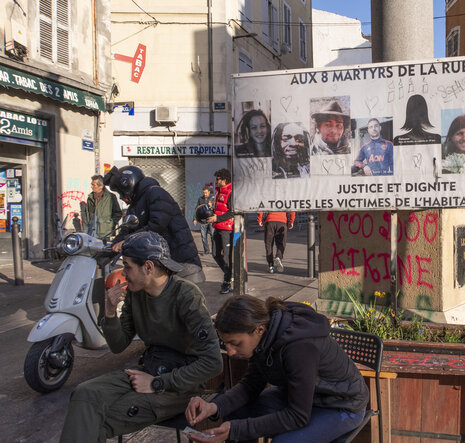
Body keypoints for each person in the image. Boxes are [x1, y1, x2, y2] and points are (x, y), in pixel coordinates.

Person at [59, 231, 223, 443]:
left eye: (127, 266)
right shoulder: (137, 293)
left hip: (181, 384)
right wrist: (109, 311)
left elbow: (213, 363)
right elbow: (118, 345)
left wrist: (157, 383)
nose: (124, 274)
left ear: (148, 267)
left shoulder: (186, 296)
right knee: (84, 394)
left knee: (98, 420)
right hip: (148, 369)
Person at [184, 295, 369, 443]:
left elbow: (297, 416)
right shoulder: (264, 337)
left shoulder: (299, 347)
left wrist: (236, 429)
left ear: (259, 330)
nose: (231, 352)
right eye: (226, 344)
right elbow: (250, 385)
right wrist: (215, 406)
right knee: (234, 413)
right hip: (302, 397)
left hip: (341, 405)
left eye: (235, 343)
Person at [104, 166, 205, 284]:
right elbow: (126, 231)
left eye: (120, 192)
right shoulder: (135, 205)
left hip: (182, 263)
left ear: (128, 184)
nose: (121, 197)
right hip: (164, 265)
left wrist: (127, 241)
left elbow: (157, 224)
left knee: (184, 299)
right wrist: (103, 256)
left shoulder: (156, 193)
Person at [209, 169, 234, 294]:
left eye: (218, 179)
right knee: (215, 254)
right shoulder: (219, 191)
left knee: (226, 257)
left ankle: (227, 282)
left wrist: (217, 218)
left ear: (224, 180)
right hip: (217, 227)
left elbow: (232, 211)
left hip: (227, 229)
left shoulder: (231, 192)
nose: (216, 181)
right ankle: (229, 273)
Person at [193, 186, 215, 255]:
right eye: (203, 193)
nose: (205, 194)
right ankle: (206, 250)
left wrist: (211, 206)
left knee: (212, 235)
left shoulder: (212, 199)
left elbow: (216, 209)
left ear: (209, 192)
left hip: (211, 220)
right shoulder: (200, 199)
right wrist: (195, 219)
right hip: (203, 220)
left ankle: (214, 250)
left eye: (206, 193)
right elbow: (197, 209)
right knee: (203, 236)